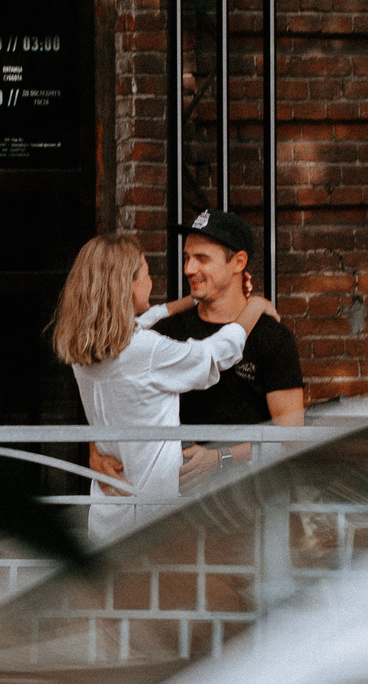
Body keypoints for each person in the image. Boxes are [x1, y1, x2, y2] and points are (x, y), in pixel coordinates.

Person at [50, 235, 277, 541]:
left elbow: (144, 321)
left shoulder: (84, 348)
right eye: (145, 274)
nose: (151, 282)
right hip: (148, 518)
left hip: (107, 511)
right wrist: (255, 306)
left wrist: (190, 301)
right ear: (127, 285)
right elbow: (213, 356)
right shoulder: (144, 350)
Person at [154, 209, 305, 486]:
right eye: (187, 257)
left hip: (247, 501)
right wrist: (98, 451)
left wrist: (221, 458)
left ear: (238, 262)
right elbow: (124, 392)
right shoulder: (168, 332)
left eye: (202, 258)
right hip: (173, 502)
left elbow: (291, 437)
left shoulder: (271, 337)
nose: (188, 269)